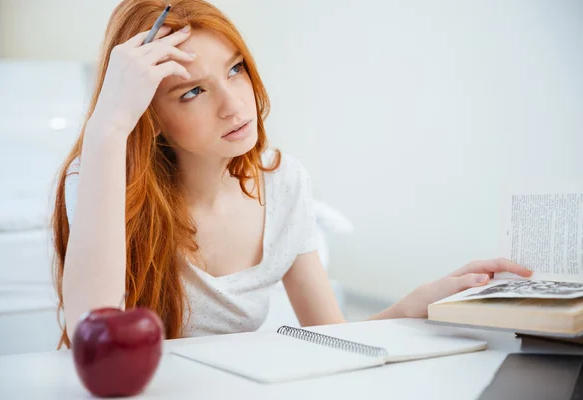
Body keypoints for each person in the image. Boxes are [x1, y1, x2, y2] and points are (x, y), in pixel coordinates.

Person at [51, 0, 532, 348]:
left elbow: (331, 339)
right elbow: (92, 331)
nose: (234, 103)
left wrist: (418, 304)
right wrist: (110, 124)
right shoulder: (100, 175)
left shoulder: (282, 183)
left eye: (236, 69)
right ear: (148, 118)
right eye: (192, 92)